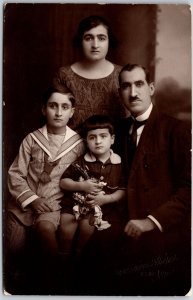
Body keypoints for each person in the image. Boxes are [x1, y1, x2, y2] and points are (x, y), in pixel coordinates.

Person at [109, 63, 191, 295]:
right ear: (119, 93)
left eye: (139, 84)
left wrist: (150, 221)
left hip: (163, 232)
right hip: (122, 225)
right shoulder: (117, 130)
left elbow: (189, 189)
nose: (133, 93)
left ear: (151, 88)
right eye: (126, 86)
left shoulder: (177, 130)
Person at [5, 86, 85, 293]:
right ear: (43, 109)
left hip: (52, 204)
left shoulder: (78, 144)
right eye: (53, 106)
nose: (58, 112)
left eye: (64, 107)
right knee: (14, 248)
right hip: (22, 205)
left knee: (46, 231)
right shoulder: (31, 140)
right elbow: (15, 174)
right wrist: (32, 199)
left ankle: (56, 284)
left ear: (72, 112)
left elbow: (84, 174)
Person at [59, 115, 126, 264]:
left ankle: (78, 259)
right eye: (92, 137)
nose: (98, 141)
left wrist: (106, 199)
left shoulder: (119, 163)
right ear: (86, 141)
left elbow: (123, 190)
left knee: (87, 228)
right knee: (66, 229)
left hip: (98, 208)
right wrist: (81, 185)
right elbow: (63, 182)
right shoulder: (81, 161)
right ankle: (62, 261)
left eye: (103, 136)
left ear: (112, 139)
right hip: (74, 204)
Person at [52, 15, 125, 130]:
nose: (95, 45)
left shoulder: (122, 74)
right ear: (80, 41)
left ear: (109, 41)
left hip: (114, 147)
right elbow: (54, 118)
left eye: (101, 38)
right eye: (89, 38)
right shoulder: (64, 75)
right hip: (70, 146)